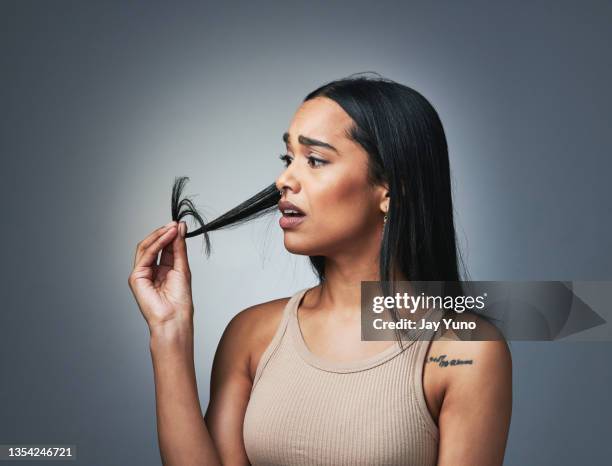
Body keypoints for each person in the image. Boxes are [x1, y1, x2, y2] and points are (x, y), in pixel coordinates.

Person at [128, 74, 512, 466]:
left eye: (315, 160)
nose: (284, 180)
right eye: (288, 158)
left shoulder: (465, 352)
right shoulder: (252, 334)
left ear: (392, 190)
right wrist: (169, 330)